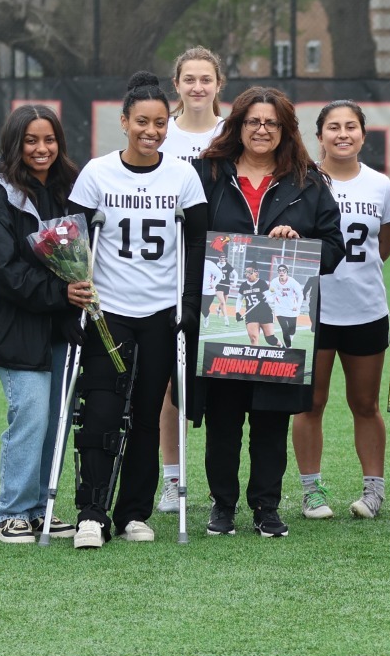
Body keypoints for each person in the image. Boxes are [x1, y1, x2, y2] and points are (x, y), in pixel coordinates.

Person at [191, 86, 345, 538]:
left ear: (285, 130)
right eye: (253, 122)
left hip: (278, 315)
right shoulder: (207, 174)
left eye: (271, 123)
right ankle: (222, 506)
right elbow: (189, 241)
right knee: (223, 420)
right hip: (220, 325)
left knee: (271, 420)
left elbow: (335, 249)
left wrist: (301, 247)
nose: (262, 130)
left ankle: (266, 506)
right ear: (237, 126)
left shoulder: (309, 182)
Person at [66, 72, 209, 549]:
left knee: (148, 414)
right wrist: (78, 287)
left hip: (160, 315)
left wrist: (188, 305)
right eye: (142, 122)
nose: (151, 131)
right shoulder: (97, 173)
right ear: (124, 121)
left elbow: (196, 243)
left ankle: (133, 512)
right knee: (102, 411)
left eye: (160, 123)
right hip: (110, 312)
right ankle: (91, 510)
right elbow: (76, 243)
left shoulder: (183, 176)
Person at [0, 104, 92, 544]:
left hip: (61, 324)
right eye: (31, 141)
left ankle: (43, 506)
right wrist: (58, 292)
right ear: (15, 144)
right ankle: (12, 510)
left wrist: (75, 293)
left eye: (49, 140)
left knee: (57, 417)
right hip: (15, 324)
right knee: (31, 413)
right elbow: (1, 269)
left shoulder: (70, 188)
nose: (41, 149)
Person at [293, 100, 390, 520]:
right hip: (312, 309)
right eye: (333, 127)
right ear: (318, 136)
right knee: (310, 403)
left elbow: (385, 246)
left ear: (362, 134)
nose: (343, 134)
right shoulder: (299, 183)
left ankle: (373, 489)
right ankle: (312, 490)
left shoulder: (380, 185)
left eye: (351, 127)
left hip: (365, 308)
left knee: (365, 404)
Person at [156, 47, 226, 511]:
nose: (198, 87)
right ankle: (171, 480)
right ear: (176, 84)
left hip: (224, 272)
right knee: (168, 383)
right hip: (167, 272)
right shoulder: (161, 134)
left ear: (219, 84)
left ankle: (225, 487)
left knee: (222, 381)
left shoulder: (233, 133)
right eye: (189, 79)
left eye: (206, 79)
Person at [268, 266, 306, 346]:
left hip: (291, 309)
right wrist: (270, 299)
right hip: (279, 309)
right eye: (279, 271)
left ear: (287, 272)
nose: (281, 272)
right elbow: (271, 292)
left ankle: (290, 338)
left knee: (292, 330)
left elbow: (300, 295)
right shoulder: (274, 282)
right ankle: (289, 348)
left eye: (283, 271)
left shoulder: (293, 282)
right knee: (285, 329)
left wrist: (298, 306)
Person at [239, 266, 275, 345]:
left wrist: (266, 299)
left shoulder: (262, 283)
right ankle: (255, 357)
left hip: (265, 313)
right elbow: (239, 299)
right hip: (251, 314)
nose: (248, 275)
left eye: (250, 273)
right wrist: (237, 312)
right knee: (253, 339)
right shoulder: (243, 285)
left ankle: (281, 345)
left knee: (270, 340)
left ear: (256, 273)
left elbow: (270, 299)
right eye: (246, 273)